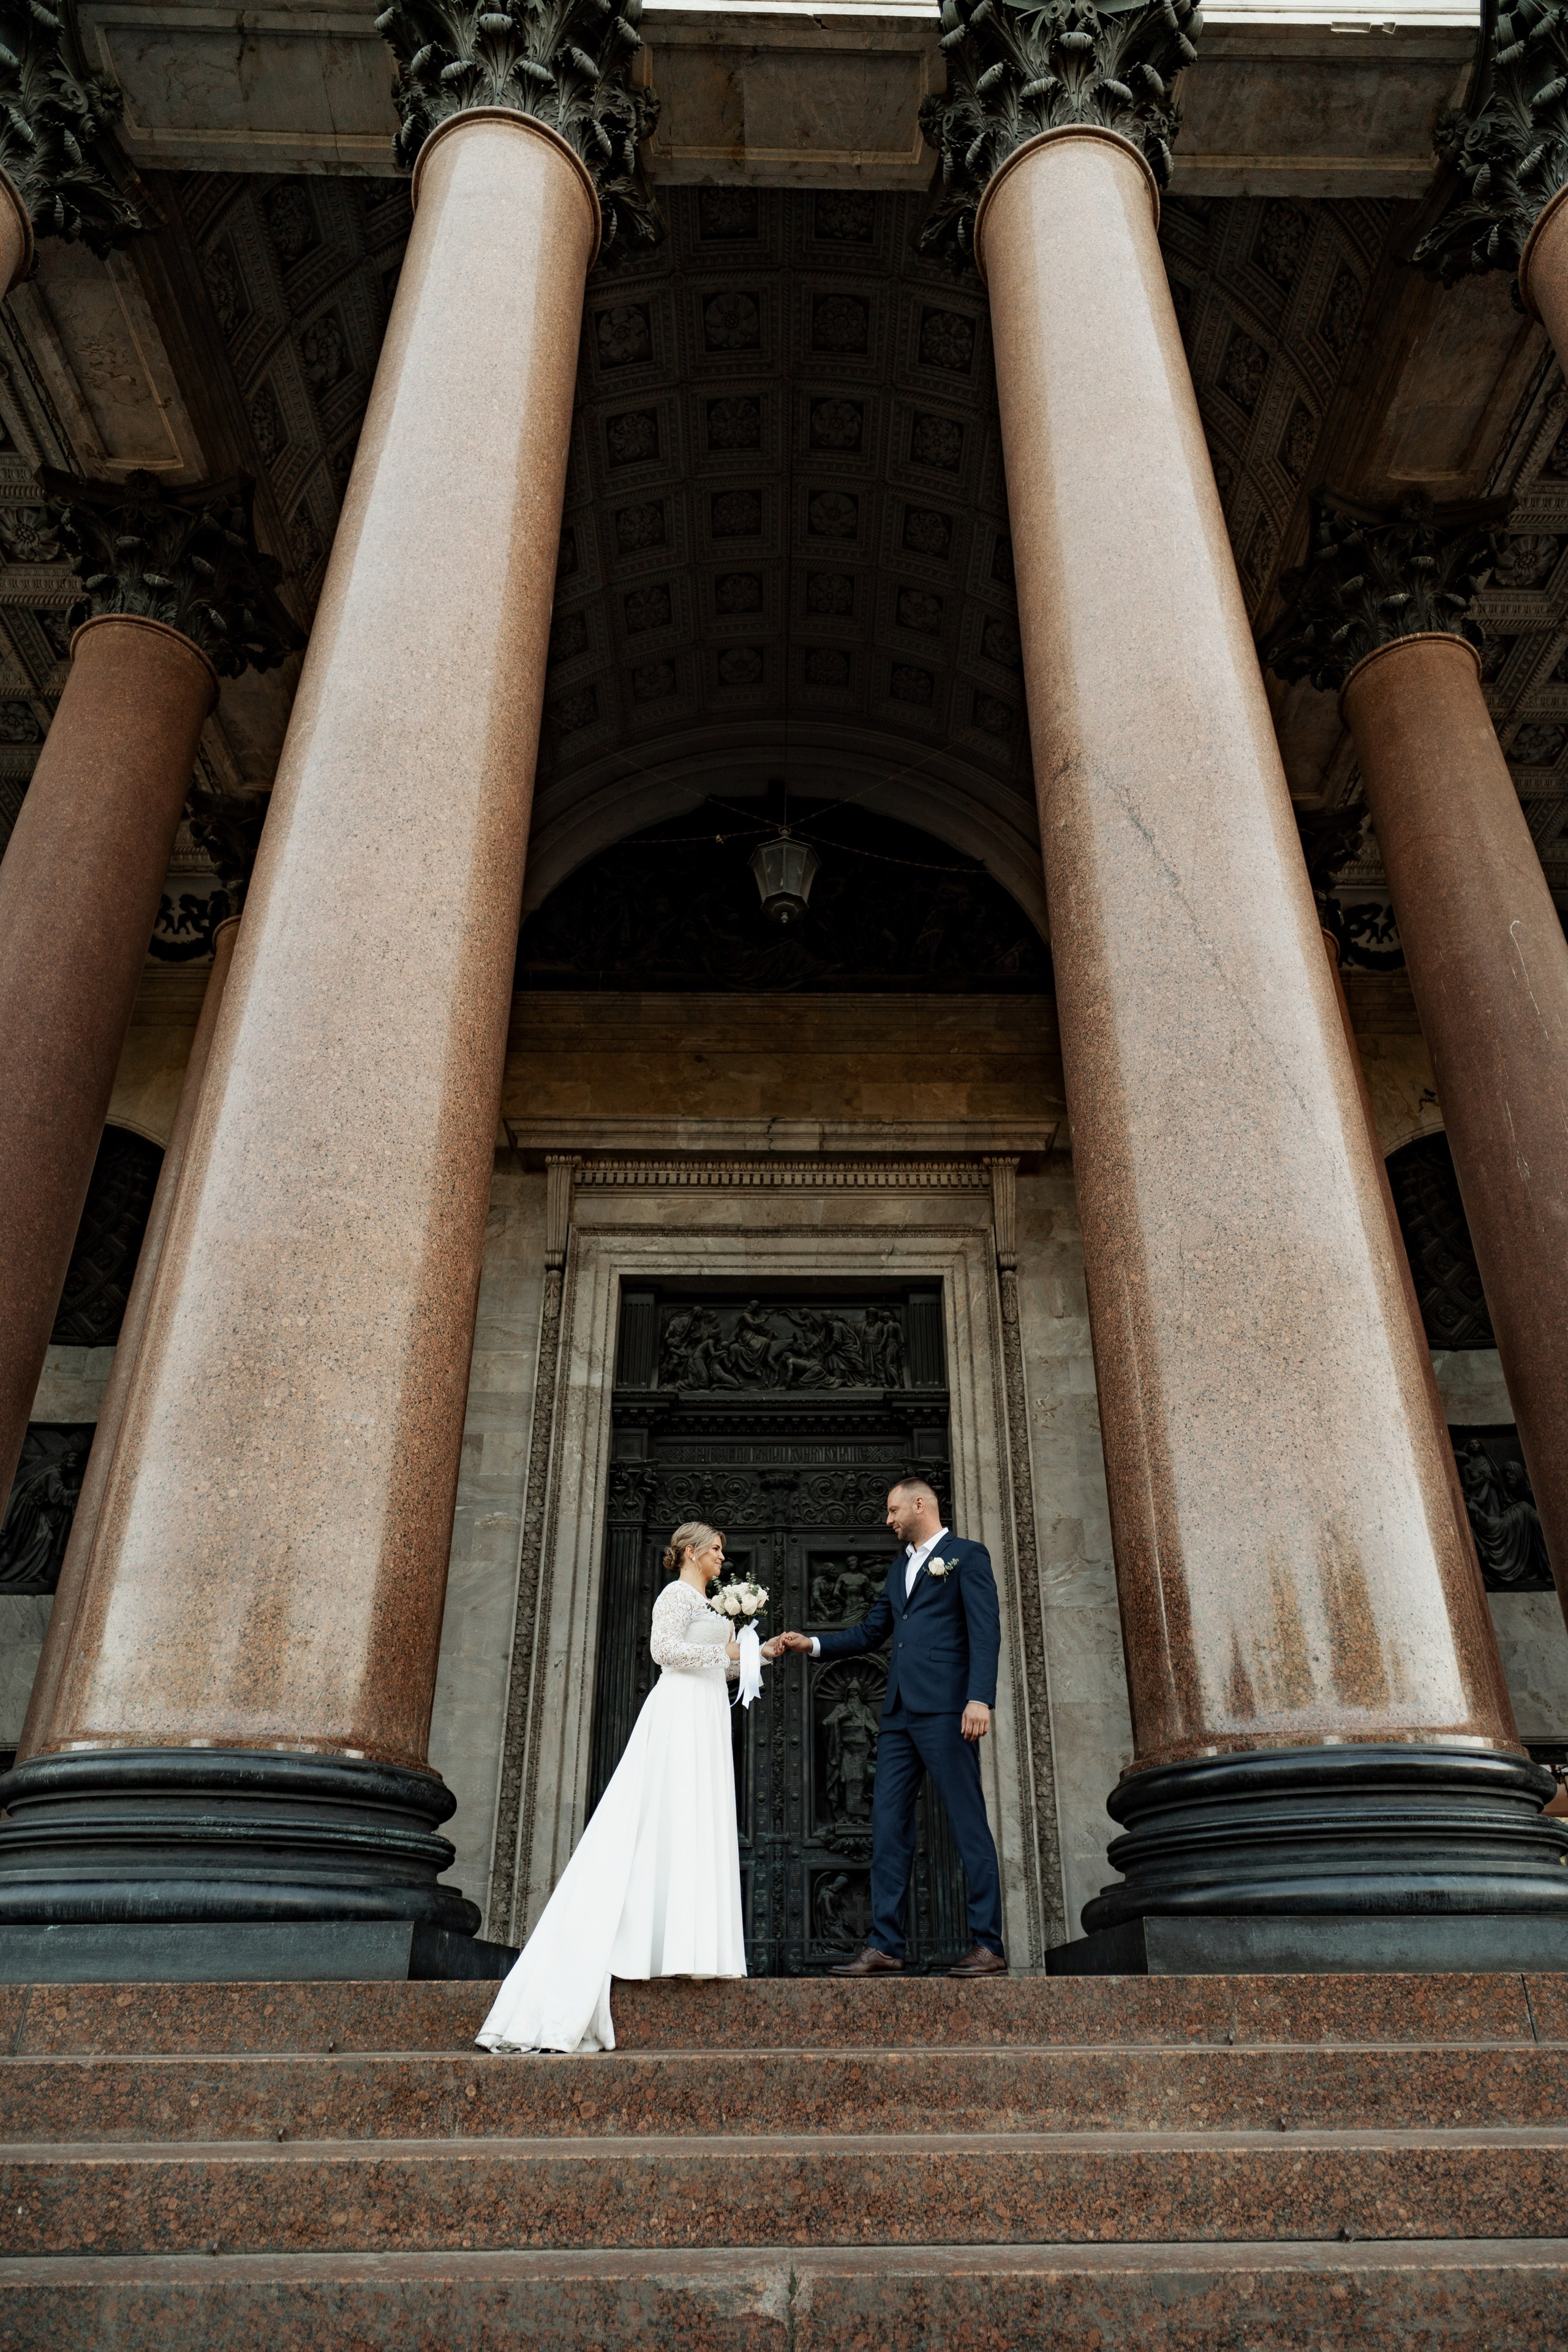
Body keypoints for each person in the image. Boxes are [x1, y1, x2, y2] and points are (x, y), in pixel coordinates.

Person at [476, 1522, 747, 2053]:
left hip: (706, 1713)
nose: (722, 1558)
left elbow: (720, 1668)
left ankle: (687, 1948)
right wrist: (729, 1656)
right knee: (663, 1816)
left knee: (691, 1822)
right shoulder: (675, 1596)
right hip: (678, 1715)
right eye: (716, 1549)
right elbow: (664, 1652)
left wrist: (755, 1656)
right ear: (691, 1552)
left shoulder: (711, 1604)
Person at [763, 1474, 1006, 1978]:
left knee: (968, 1824)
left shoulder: (967, 1556)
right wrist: (814, 1644)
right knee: (887, 1826)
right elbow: (873, 1631)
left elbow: (986, 1631)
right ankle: (886, 1944)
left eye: (894, 1510)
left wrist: (979, 1697)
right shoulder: (899, 1571)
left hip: (946, 1709)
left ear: (921, 1504)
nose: (888, 1519)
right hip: (896, 1715)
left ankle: (988, 1943)